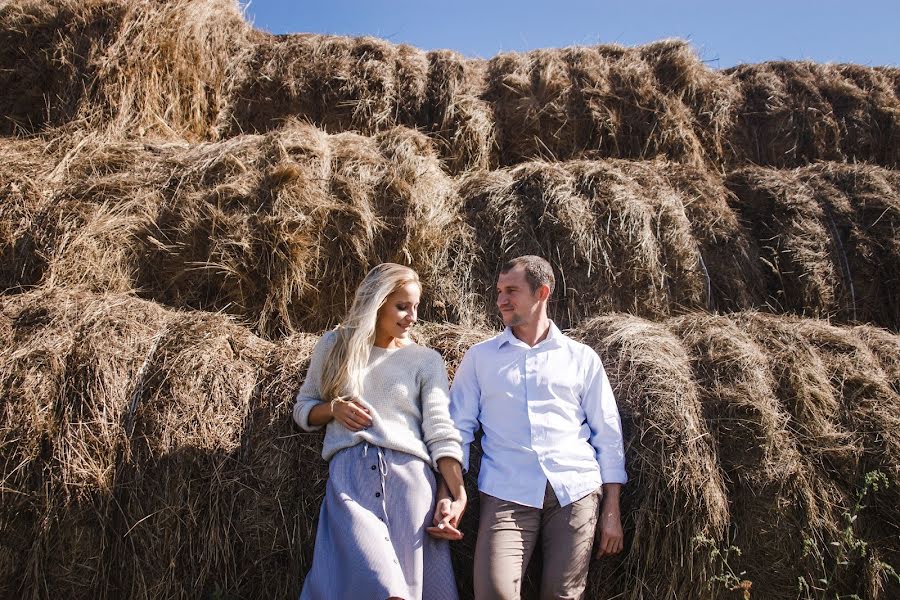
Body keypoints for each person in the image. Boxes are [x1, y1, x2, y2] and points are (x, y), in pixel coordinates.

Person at [431, 255, 627, 600]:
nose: (501, 300)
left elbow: (608, 434)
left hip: (575, 490)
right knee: (494, 592)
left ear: (542, 293)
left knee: (562, 596)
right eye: (498, 292)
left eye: (511, 291)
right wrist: (448, 494)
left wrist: (611, 510)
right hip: (507, 492)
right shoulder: (480, 358)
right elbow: (455, 429)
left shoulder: (581, 358)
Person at [293, 263, 466, 600]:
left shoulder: (425, 360)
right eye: (402, 306)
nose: (412, 317)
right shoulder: (334, 346)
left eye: (416, 307)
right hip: (350, 482)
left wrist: (457, 493)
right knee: (381, 585)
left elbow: (441, 431)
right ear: (376, 302)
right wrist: (333, 409)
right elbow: (303, 409)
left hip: (410, 483)